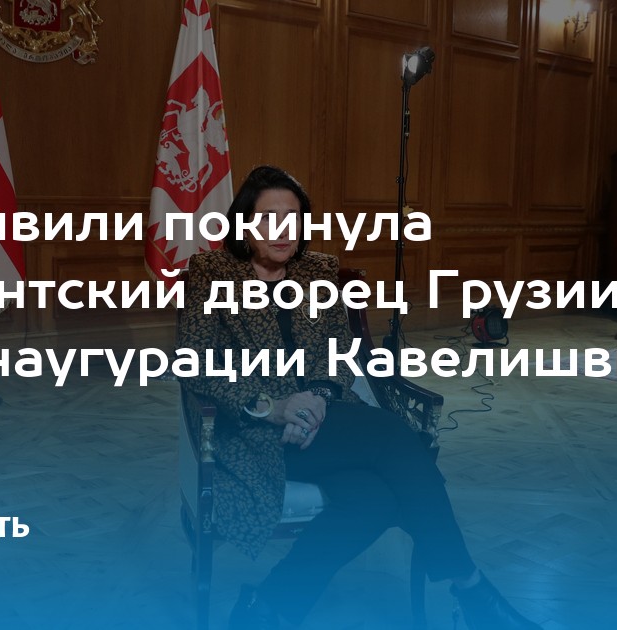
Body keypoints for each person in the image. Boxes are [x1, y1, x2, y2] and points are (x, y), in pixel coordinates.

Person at [178, 165, 540, 630]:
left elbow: (338, 349)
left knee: (375, 497)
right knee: (393, 436)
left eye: (293, 217)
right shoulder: (211, 274)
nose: (282, 230)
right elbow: (197, 363)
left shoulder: (319, 271)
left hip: (321, 417)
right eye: (268, 217)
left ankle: (268, 607)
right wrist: (274, 408)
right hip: (255, 431)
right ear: (244, 224)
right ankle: (472, 591)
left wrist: (317, 396)